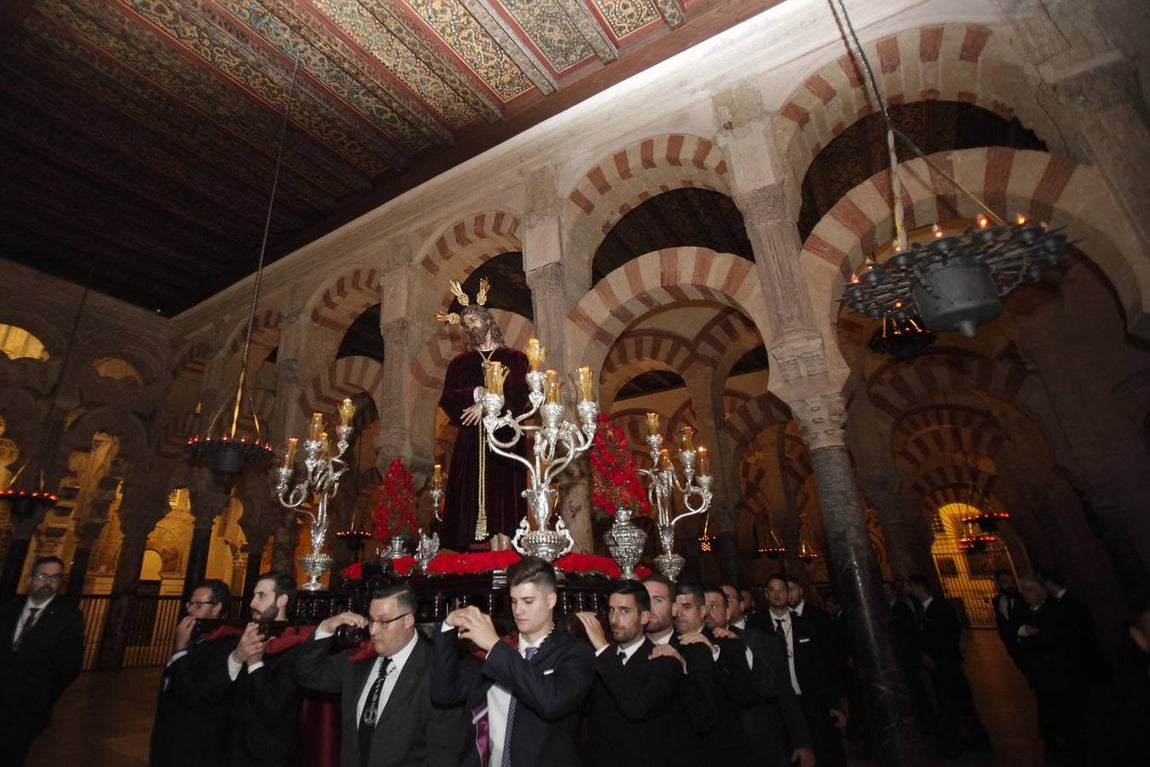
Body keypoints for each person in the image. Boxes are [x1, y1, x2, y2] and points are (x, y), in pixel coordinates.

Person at [431, 556, 594, 766]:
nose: (518, 611)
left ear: (551, 600)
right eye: (514, 601)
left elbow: (551, 702)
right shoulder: (498, 653)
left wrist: (495, 646)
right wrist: (447, 626)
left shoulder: (575, 652)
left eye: (528, 601)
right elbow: (443, 693)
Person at [297, 583, 465, 767]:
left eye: (384, 622)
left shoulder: (436, 671)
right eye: (371, 620)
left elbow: (443, 756)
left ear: (408, 620)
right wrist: (327, 627)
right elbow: (307, 673)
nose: (373, 630)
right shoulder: (359, 659)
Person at [436, 280, 530, 552]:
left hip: (505, 434)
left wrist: (490, 403)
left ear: (488, 321)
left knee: (504, 488)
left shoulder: (515, 358)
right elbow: (449, 397)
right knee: (468, 490)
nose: (470, 326)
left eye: (474, 319)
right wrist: (477, 393)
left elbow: (519, 392)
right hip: (470, 439)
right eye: (465, 324)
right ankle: (466, 547)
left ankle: (505, 544)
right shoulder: (459, 363)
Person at [574, 581, 689, 767]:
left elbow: (636, 707)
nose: (614, 619)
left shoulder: (664, 660)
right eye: (611, 610)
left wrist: (603, 648)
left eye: (624, 611)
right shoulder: (599, 661)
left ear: (644, 617)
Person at [0, 555, 84, 767]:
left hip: (26, 710)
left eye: (54, 578)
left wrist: (41, 698)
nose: (48, 582)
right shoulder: (8, 610)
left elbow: (69, 667)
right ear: (30, 579)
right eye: (42, 576)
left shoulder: (68, 617)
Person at [717, 584, 813, 767]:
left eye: (727, 599)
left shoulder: (763, 640)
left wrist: (801, 742)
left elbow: (784, 692)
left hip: (763, 738)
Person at [150, 578, 240, 767]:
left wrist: (180, 649)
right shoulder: (196, 637)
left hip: (195, 741)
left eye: (198, 605)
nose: (190, 609)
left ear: (217, 608)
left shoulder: (226, 644)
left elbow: (192, 694)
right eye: (190, 603)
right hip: (171, 734)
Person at [226, 571, 307, 767]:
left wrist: (254, 663)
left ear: (282, 600)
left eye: (261, 596)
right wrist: (237, 656)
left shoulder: (295, 647)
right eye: (254, 595)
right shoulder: (248, 636)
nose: (252, 603)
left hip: (269, 755)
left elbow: (272, 712)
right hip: (236, 750)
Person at [765, 573, 846, 767]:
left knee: (820, 749)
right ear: (766, 594)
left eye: (782, 590)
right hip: (778, 703)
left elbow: (822, 665)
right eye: (773, 590)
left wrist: (833, 702)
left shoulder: (805, 625)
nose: (778, 594)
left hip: (809, 698)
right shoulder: (758, 626)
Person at [907, 574, 992, 757]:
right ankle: (958, 740)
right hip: (937, 664)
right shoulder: (922, 610)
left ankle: (964, 742)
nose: (909, 591)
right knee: (949, 702)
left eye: (911, 587)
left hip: (947, 663)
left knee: (956, 703)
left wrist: (935, 656)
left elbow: (948, 634)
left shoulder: (940, 607)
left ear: (920, 587)